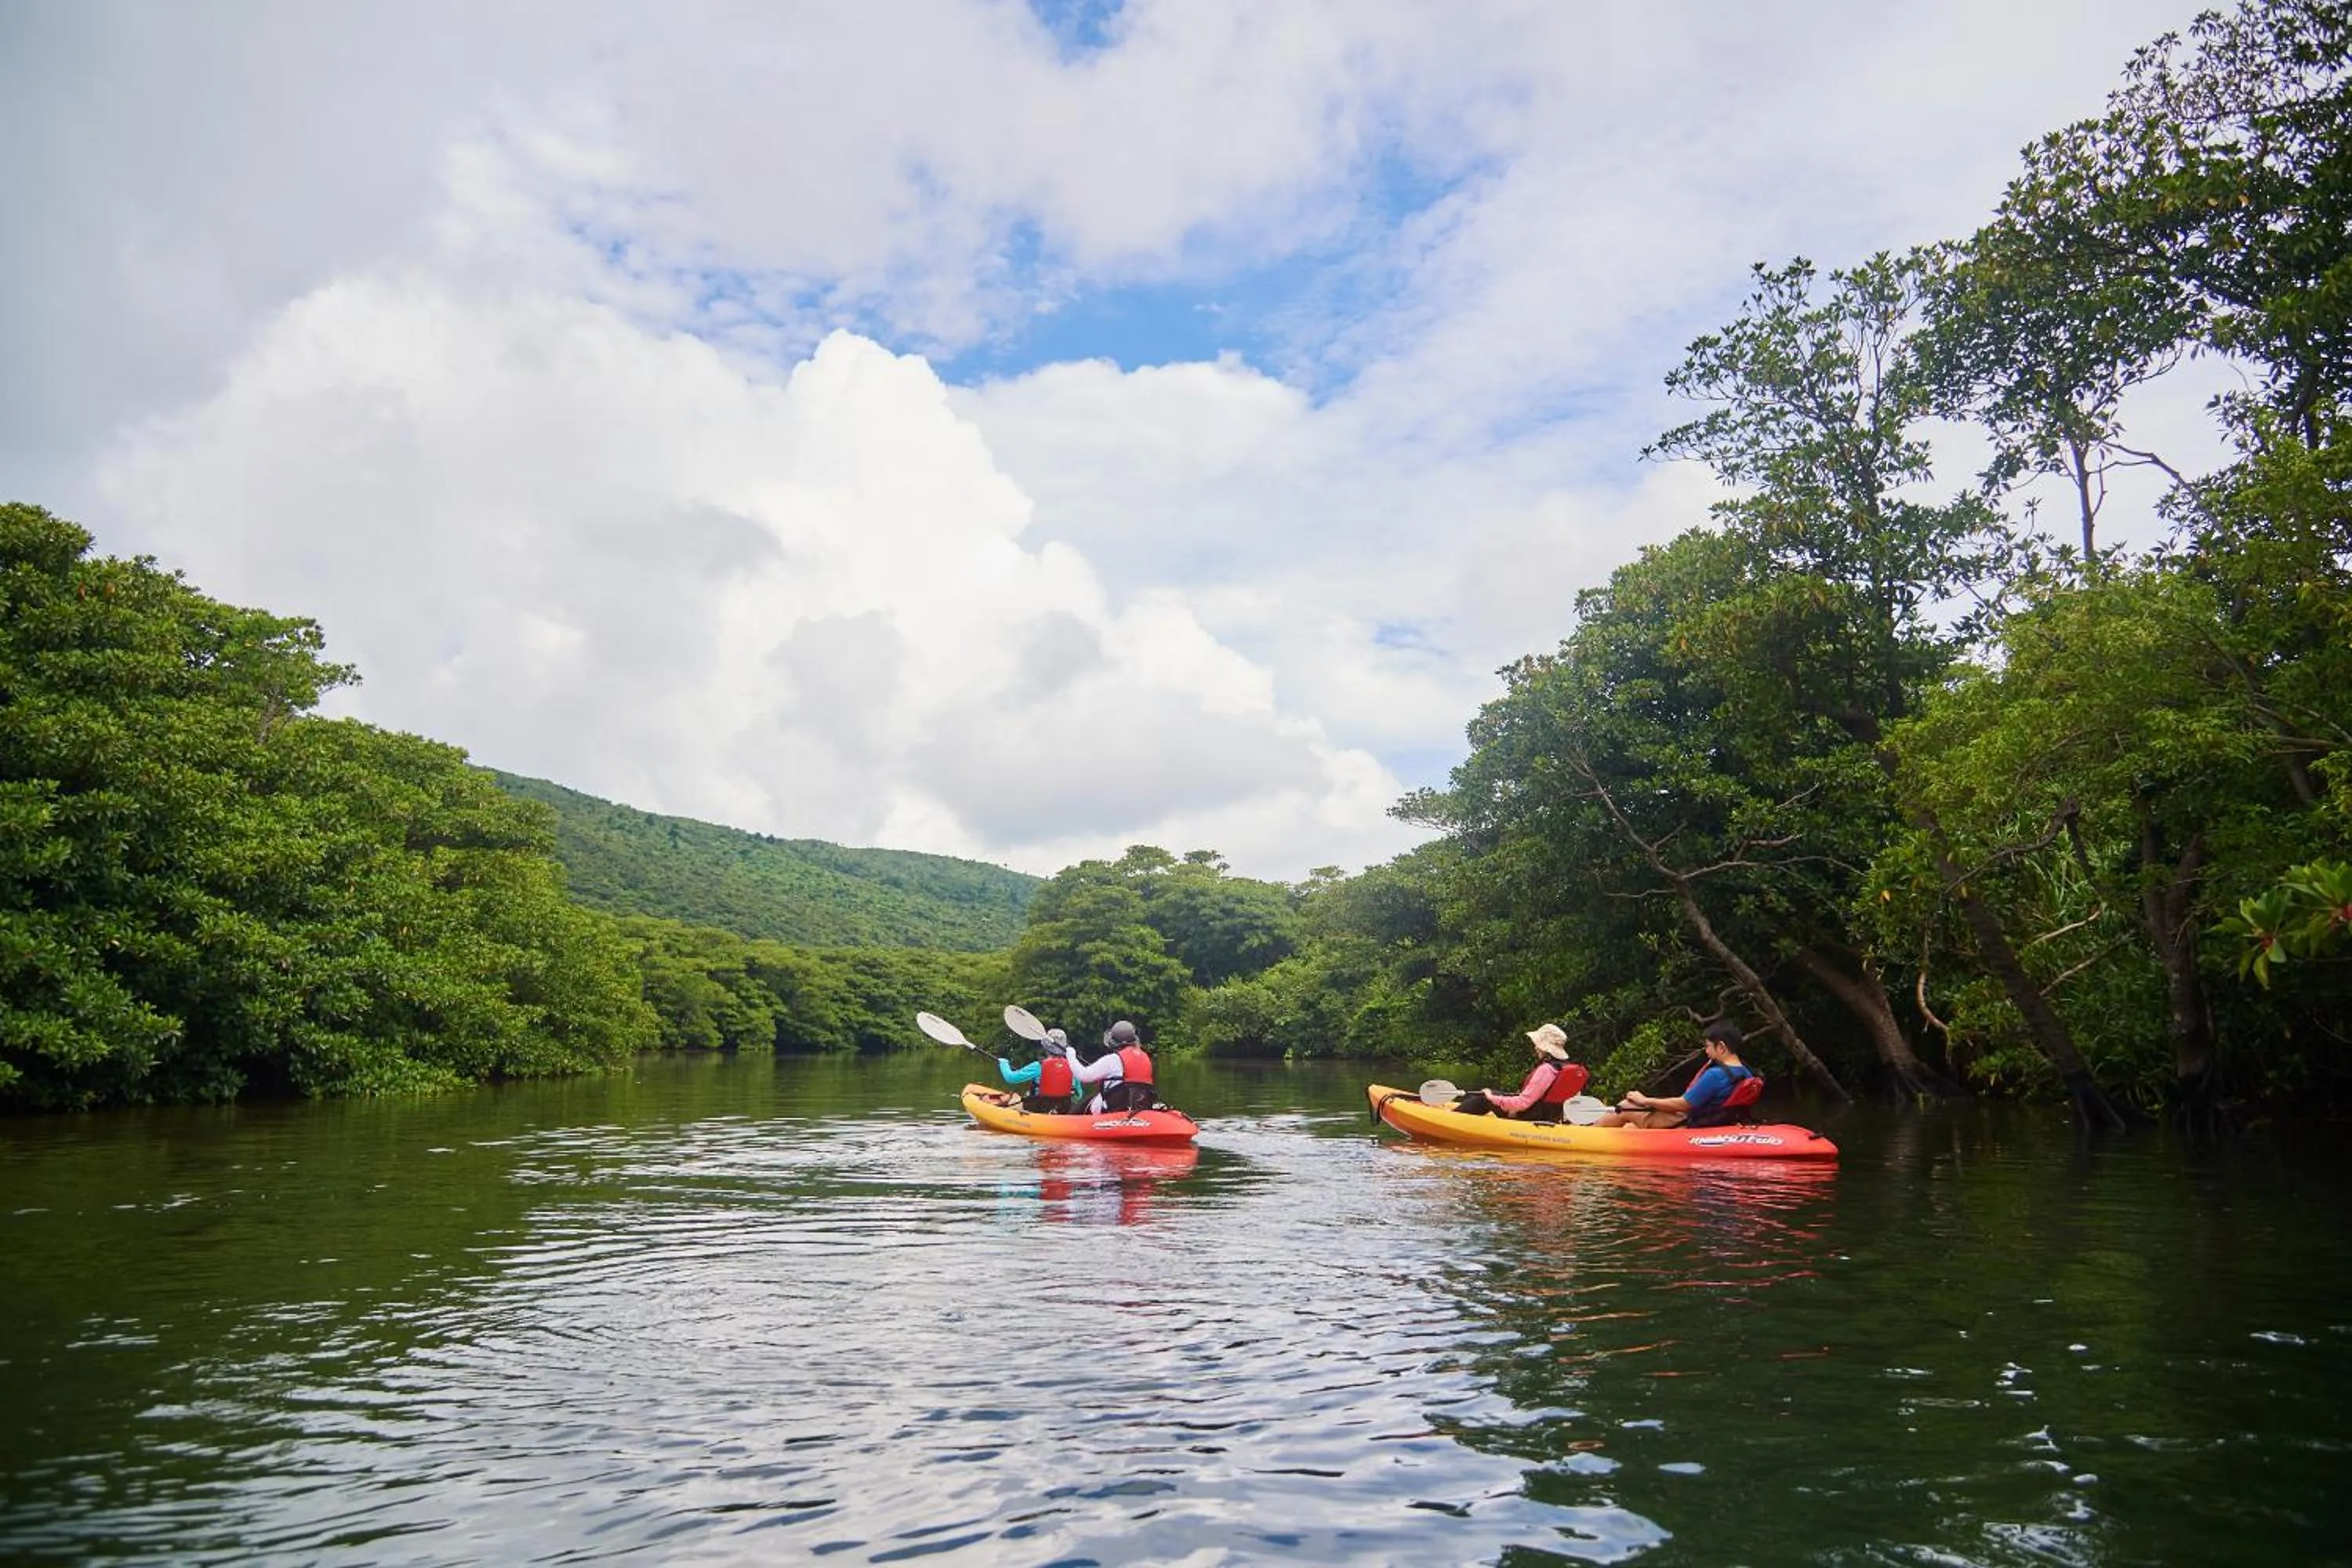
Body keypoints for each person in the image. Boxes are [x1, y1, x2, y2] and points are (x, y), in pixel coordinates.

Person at [1596, 1019, 1753, 1128]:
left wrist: (1645, 1100)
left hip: (1689, 1123)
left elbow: (1682, 1105)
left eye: (1708, 1046)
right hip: (1714, 1122)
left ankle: (1582, 1135)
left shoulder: (1715, 1075)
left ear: (1721, 1047)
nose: (1706, 1051)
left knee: (1625, 1107)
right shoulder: (1746, 1073)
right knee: (1630, 1127)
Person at [1453, 1023, 1589, 1121]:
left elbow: (1523, 1103)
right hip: (1549, 1117)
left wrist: (1490, 1097)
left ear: (1546, 1048)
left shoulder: (1546, 1070)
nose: (1536, 1048)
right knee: (1493, 1093)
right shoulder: (1566, 1070)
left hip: (1527, 1116)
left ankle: (1453, 1119)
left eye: (1538, 1045)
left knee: (1484, 1098)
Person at [1072, 1019, 1157, 1113]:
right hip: (1140, 1107)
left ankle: (1068, 1122)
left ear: (1113, 1042)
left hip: (1115, 1108)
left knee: (1086, 1103)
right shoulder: (1145, 1058)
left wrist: (1070, 1055)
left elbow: (1084, 1076)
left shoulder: (1112, 1060)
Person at [996, 1029, 1078, 1114]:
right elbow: (1078, 1094)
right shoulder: (1073, 1066)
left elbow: (1011, 1078)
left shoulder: (1038, 1066)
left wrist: (1004, 1063)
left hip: (1037, 1107)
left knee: (1010, 1104)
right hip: (1064, 1109)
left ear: (1045, 1047)